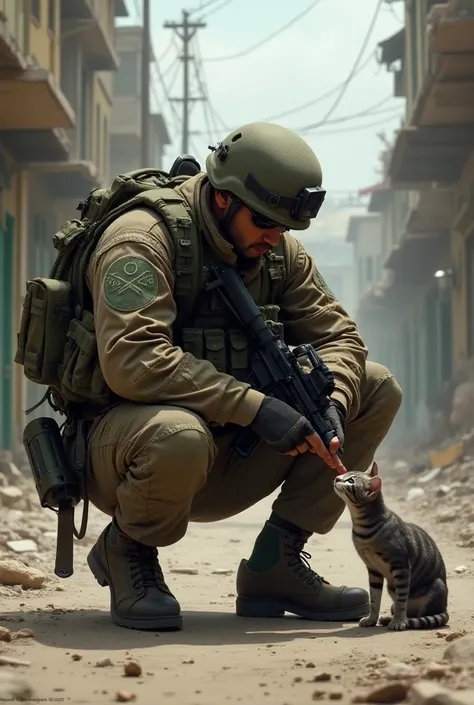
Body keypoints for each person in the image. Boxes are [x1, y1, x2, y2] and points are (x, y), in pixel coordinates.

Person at [81, 121, 402, 631]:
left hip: (230, 455)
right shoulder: (141, 239)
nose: (274, 238)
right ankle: (129, 550)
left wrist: (333, 401)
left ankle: (276, 561)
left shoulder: (276, 249)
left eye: (284, 228)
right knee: (177, 433)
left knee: (377, 385)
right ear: (225, 200)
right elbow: (133, 359)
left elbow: (341, 338)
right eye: (264, 222)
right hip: (129, 455)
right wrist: (255, 406)